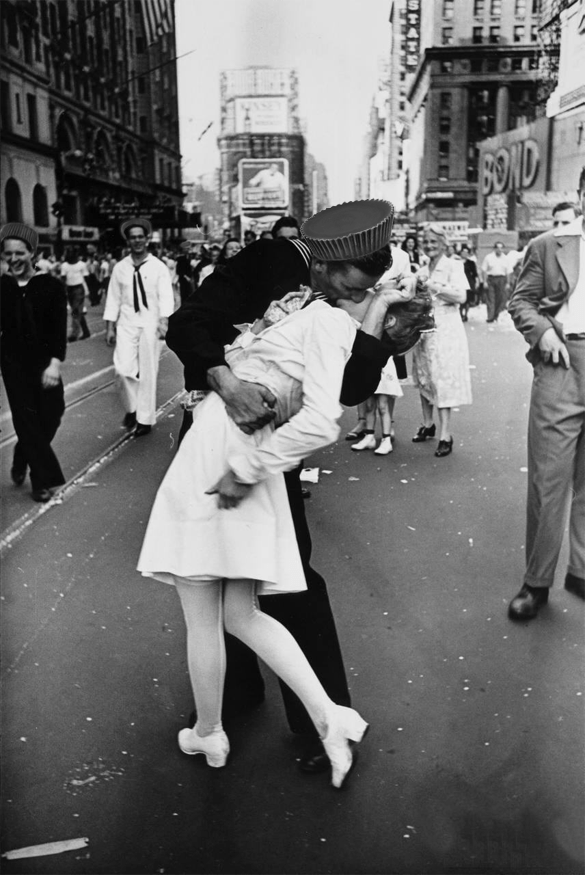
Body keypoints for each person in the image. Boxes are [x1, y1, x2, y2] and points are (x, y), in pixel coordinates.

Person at [138, 228, 432, 788]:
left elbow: (345, 394)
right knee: (236, 601)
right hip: (230, 426)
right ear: (329, 260)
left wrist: (376, 329)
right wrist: (226, 382)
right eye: (356, 283)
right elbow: (189, 324)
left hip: (255, 447)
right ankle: (242, 705)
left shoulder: (345, 307)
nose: (360, 293)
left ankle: (294, 719)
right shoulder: (275, 258)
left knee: (265, 588)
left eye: (372, 288)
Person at [506, 167, 585, 620]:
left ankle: (581, 570)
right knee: (549, 480)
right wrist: (542, 334)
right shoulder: (549, 245)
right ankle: (536, 583)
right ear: (580, 195)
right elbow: (521, 301)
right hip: (562, 363)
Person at [0, 223, 67, 502]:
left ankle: (23, 453)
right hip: (13, 363)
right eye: (8, 254)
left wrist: (54, 364)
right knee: (26, 419)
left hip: (44, 362)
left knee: (52, 413)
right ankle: (41, 481)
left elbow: (58, 328)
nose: (13, 259)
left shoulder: (50, 286)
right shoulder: (2, 287)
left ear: (32, 253)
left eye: (19, 253)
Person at [103, 218, 174, 436]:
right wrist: (110, 327)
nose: (137, 241)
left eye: (140, 237)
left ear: (147, 239)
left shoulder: (158, 267)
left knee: (148, 371)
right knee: (123, 370)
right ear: (128, 241)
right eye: (132, 237)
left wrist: (164, 322)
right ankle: (132, 409)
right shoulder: (120, 268)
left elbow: (166, 296)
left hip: (150, 324)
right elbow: (113, 298)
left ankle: (145, 419)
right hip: (126, 323)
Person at [411, 223, 472, 458]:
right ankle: (428, 424)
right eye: (425, 242)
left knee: (442, 378)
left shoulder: (454, 266)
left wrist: (432, 286)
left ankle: (446, 434)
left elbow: (461, 296)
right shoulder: (423, 267)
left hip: (446, 329)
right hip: (424, 329)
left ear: (444, 244)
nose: (429, 246)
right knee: (424, 376)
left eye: (433, 242)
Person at [348, 241, 414, 452]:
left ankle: (387, 432)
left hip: (387, 328)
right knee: (366, 393)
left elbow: (407, 284)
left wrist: (406, 282)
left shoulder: (400, 256)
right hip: (362, 323)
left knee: (384, 395)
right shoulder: (356, 252)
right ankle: (367, 431)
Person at [60, 247, 91, 341]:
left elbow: (87, 278)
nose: (70, 255)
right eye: (68, 253)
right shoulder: (64, 265)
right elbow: (63, 278)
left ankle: (74, 334)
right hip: (69, 289)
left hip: (78, 289)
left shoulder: (82, 265)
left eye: (72, 253)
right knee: (76, 311)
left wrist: (88, 291)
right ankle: (86, 331)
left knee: (76, 311)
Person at [481, 241, 510, 323]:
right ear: (494, 249)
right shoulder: (488, 257)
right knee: (490, 298)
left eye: (501, 248)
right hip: (491, 279)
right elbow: (484, 270)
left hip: (501, 279)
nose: (499, 250)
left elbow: (508, 272)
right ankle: (490, 316)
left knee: (500, 299)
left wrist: (508, 283)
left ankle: (496, 315)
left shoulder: (506, 259)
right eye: (498, 248)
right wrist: (484, 282)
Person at [459, 244, 479, 319]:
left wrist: (476, 283)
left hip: (468, 282)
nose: (464, 254)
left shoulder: (471, 263)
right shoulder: (456, 262)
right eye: (463, 252)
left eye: (466, 253)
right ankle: (461, 313)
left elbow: (475, 274)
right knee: (461, 299)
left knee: (467, 299)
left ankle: (466, 314)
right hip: (459, 282)